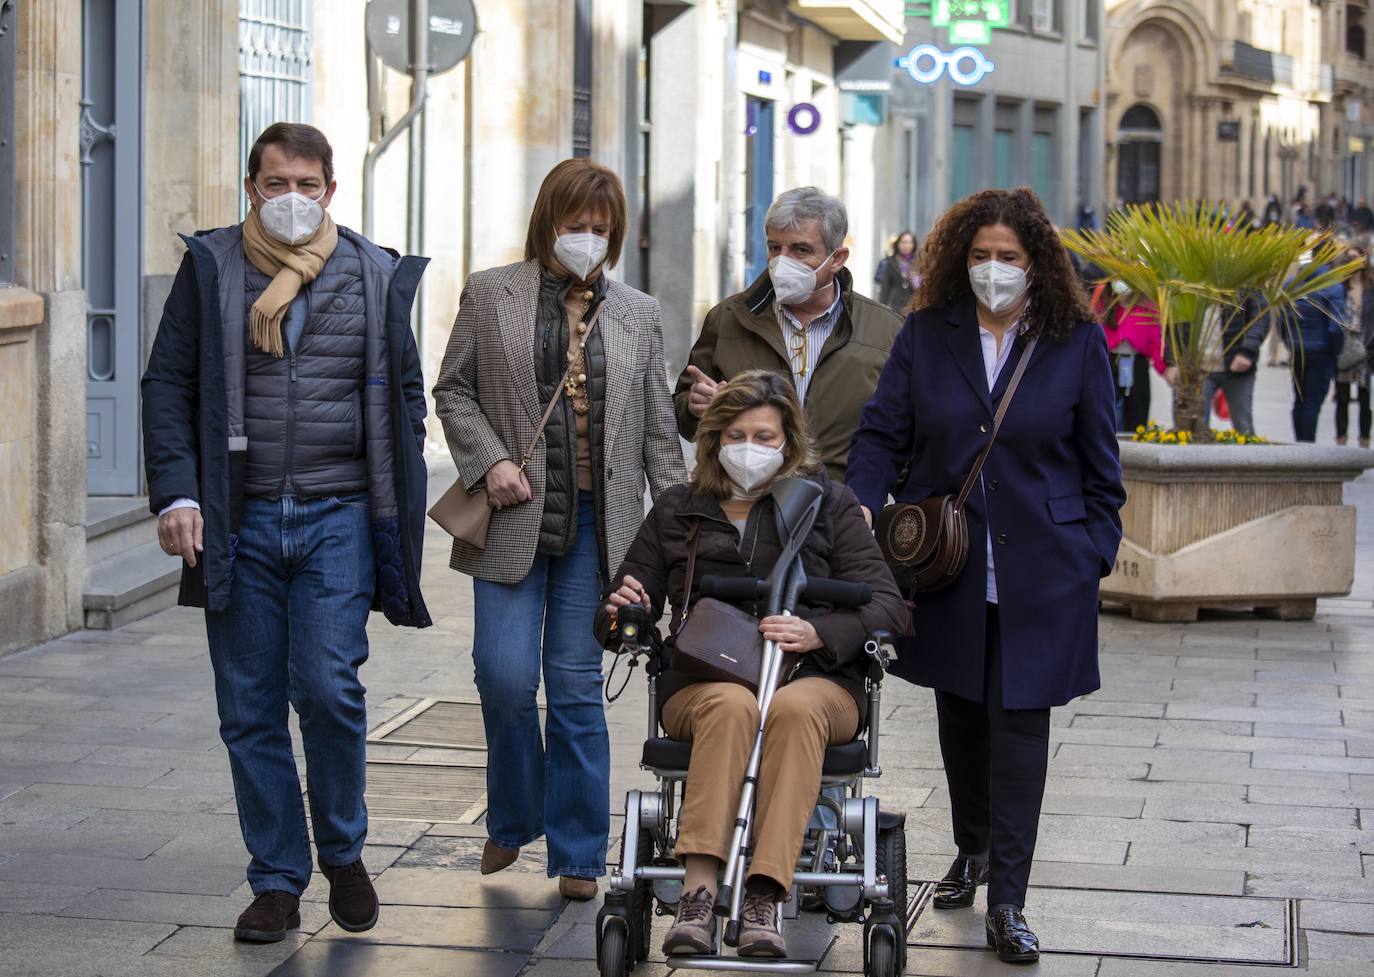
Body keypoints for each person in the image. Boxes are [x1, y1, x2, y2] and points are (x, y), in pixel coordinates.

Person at [141, 123, 431, 942]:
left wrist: (398, 483)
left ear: (332, 191)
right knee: (249, 707)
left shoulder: (376, 274)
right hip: (242, 517)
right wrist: (178, 494)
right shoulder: (211, 268)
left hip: (339, 513)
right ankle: (275, 877)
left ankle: (341, 849)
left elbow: (405, 393)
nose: (293, 200)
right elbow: (168, 384)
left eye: (309, 185)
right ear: (251, 188)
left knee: (329, 688)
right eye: (277, 185)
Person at [847, 188, 1125, 964]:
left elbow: (1104, 468)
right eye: (980, 256)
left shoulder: (1075, 341)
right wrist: (861, 508)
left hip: (1046, 572)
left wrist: (1091, 553)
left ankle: (1009, 900)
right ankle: (971, 843)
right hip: (950, 564)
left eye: (1008, 257)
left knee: (1020, 729)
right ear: (957, 259)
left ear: (1035, 262)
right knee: (961, 715)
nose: (993, 270)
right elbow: (880, 435)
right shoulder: (926, 335)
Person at [431, 158, 686, 900]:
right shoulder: (491, 293)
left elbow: (658, 434)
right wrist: (489, 462)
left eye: (601, 230)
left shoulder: (637, 311)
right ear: (549, 221)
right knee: (504, 677)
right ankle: (512, 818)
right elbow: (452, 390)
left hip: (598, 531)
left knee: (575, 688)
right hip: (512, 519)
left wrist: (679, 537)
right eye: (576, 226)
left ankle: (578, 850)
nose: (588, 240)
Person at [601, 370, 906, 959]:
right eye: (736, 434)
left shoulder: (829, 505)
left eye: (765, 437)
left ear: (789, 441)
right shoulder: (678, 510)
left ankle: (765, 894)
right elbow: (617, 614)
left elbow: (890, 605)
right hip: (706, 683)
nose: (750, 448)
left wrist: (818, 629)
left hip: (816, 681)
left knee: (790, 709)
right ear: (713, 440)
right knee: (733, 703)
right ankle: (697, 897)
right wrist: (623, 611)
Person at [673, 187, 901, 480]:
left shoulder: (885, 331)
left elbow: (905, 433)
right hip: (745, 505)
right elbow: (682, 419)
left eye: (800, 250)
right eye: (774, 248)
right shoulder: (727, 319)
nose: (782, 262)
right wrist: (694, 407)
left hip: (839, 509)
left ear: (837, 258)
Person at [1092, 280, 1165, 432]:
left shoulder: (1147, 304)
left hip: (1137, 363)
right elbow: (1095, 334)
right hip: (1110, 361)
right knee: (1108, 412)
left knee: (1138, 412)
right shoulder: (1104, 300)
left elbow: (1155, 341)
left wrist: (1164, 368)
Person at [1286, 259, 1347, 442]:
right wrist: (1336, 351)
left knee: (1299, 399)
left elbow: (1284, 320)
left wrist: (1289, 343)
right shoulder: (1332, 286)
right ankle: (1307, 446)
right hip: (1322, 352)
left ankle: (1299, 444)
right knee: (1313, 402)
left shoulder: (1292, 284)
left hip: (1297, 349)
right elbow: (1336, 327)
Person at [1334, 242, 1373, 446]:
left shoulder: (1371, 288)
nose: (1353, 262)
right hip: (1344, 349)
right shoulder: (1340, 287)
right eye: (1348, 258)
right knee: (1342, 397)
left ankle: (1364, 439)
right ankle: (1341, 439)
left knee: (1365, 399)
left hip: (1366, 349)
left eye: (1357, 258)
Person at [874, 230, 920, 312]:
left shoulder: (919, 263)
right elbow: (885, 288)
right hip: (895, 307)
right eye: (903, 242)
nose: (905, 245)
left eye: (908, 242)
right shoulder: (891, 262)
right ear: (898, 244)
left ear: (913, 244)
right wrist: (880, 308)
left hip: (914, 307)